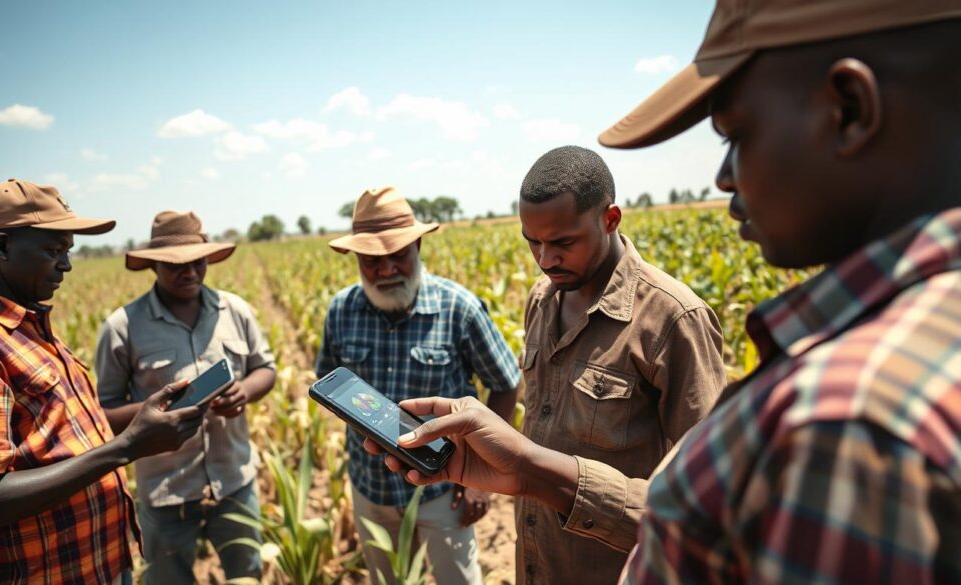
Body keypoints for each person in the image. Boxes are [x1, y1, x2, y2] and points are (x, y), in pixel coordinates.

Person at [369, 1, 961, 582]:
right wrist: (524, 473)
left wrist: (532, 470)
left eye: (736, 134)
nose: (723, 174)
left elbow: (692, 500)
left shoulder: (841, 408)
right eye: (533, 244)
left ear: (850, 110)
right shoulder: (542, 301)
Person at [0, 179, 207, 584]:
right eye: (53, 250)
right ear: (2, 247)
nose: (66, 265)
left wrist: (145, 418)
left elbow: (64, 435)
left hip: (94, 563)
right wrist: (128, 447)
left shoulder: (25, 324)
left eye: (68, 251)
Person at [513, 145, 725, 584]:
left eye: (563, 243)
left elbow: (709, 492)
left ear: (610, 220)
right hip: (540, 563)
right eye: (533, 242)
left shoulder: (672, 319)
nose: (545, 259)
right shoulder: (541, 299)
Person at [316, 186, 522, 585]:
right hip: (370, 485)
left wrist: (483, 470)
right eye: (373, 260)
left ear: (419, 247)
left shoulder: (458, 308)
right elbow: (328, 379)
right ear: (356, 258)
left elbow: (505, 383)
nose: (387, 268)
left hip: (445, 488)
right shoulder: (340, 310)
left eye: (398, 255)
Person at [95, 210, 277, 584]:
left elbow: (266, 369)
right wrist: (155, 412)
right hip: (166, 492)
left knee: (247, 575)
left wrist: (244, 391)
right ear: (153, 266)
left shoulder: (235, 310)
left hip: (234, 482)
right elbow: (101, 413)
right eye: (176, 265)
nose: (190, 272)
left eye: (198, 261)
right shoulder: (123, 327)